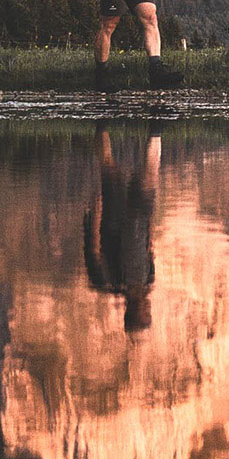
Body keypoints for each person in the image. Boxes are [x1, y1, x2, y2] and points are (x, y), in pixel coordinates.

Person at [83, 125, 160, 332]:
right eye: (149, 312)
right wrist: (151, 220)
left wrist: (96, 211)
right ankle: (156, 125)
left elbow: (93, 247)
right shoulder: (148, 280)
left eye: (145, 313)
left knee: (108, 167)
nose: (148, 307)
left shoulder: (108, 282)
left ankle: (102, 119)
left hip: (114, 216)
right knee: (150, 173)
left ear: (133, 312)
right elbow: (150, 247)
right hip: (141, 217)